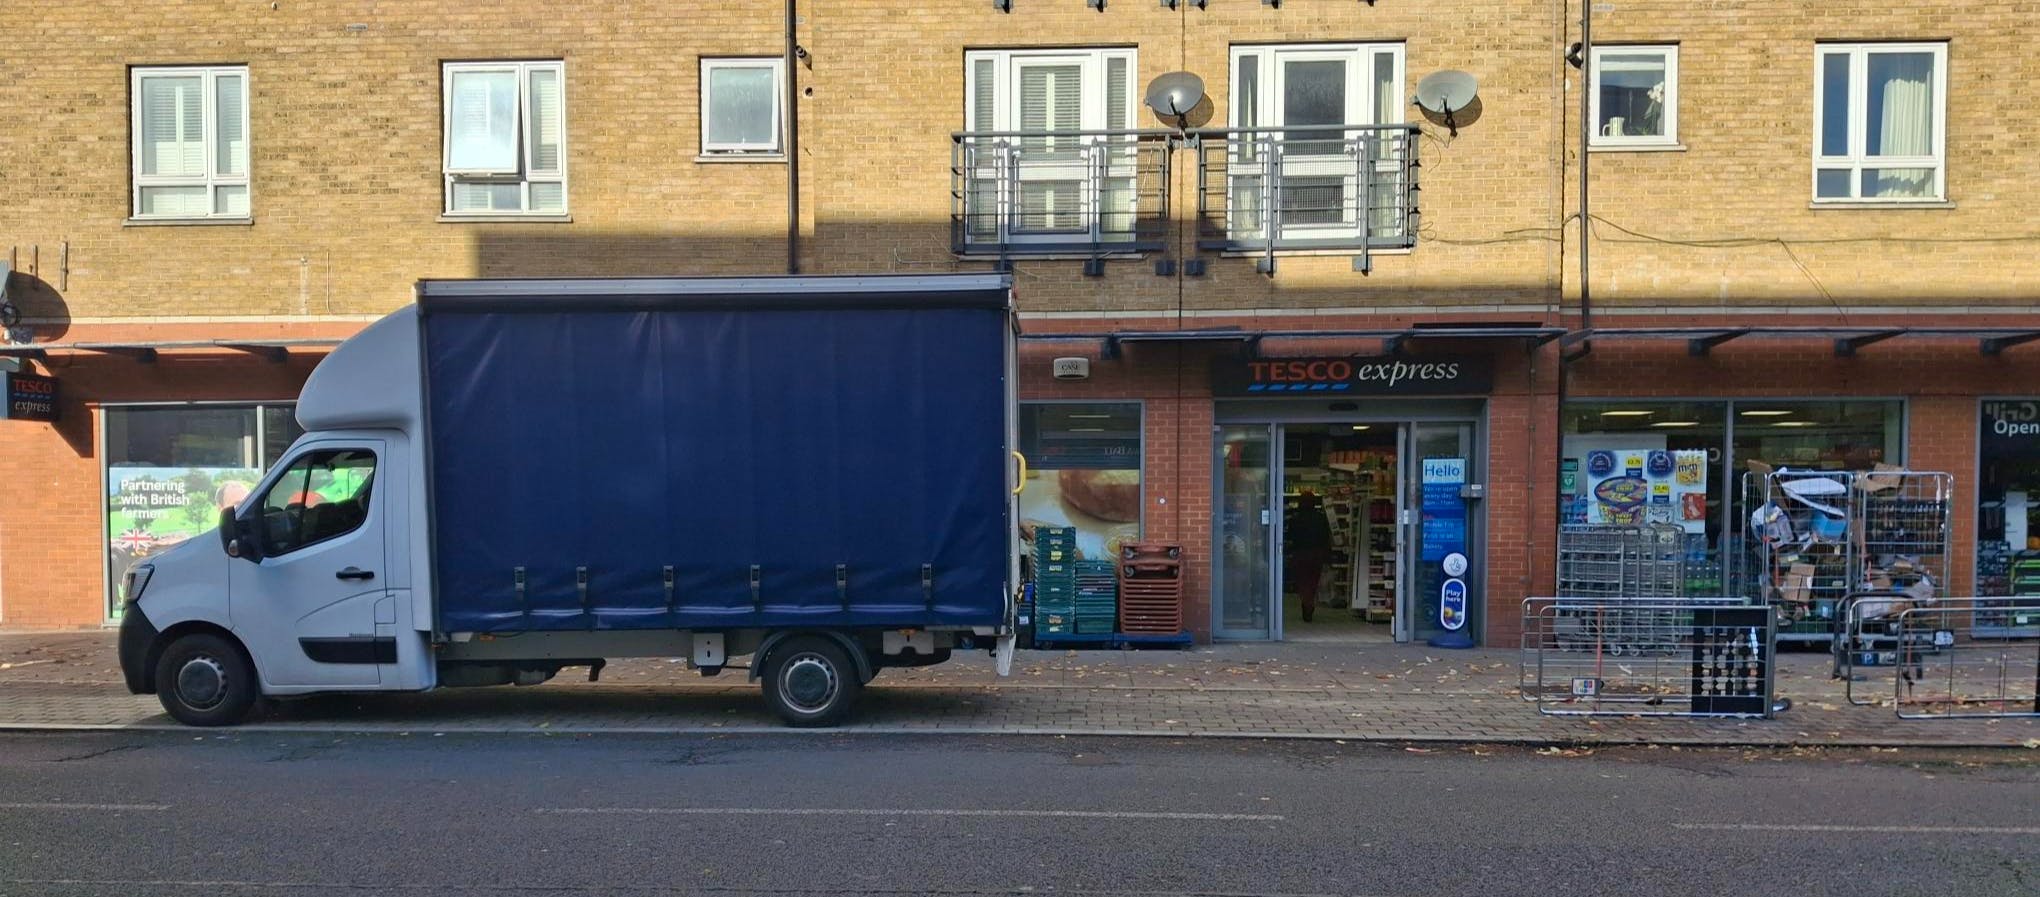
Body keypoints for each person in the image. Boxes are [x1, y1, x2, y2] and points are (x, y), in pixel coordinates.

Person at [1289, 492, 1333, 623]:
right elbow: (1326, 537)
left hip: (1300, 554)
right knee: (1313, 580)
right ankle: (1309, 602)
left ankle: (1306, 602)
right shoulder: (1320, 518)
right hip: (1316, 554)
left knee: (1302, 581)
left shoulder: (1295, 519)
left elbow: (1291, 536)